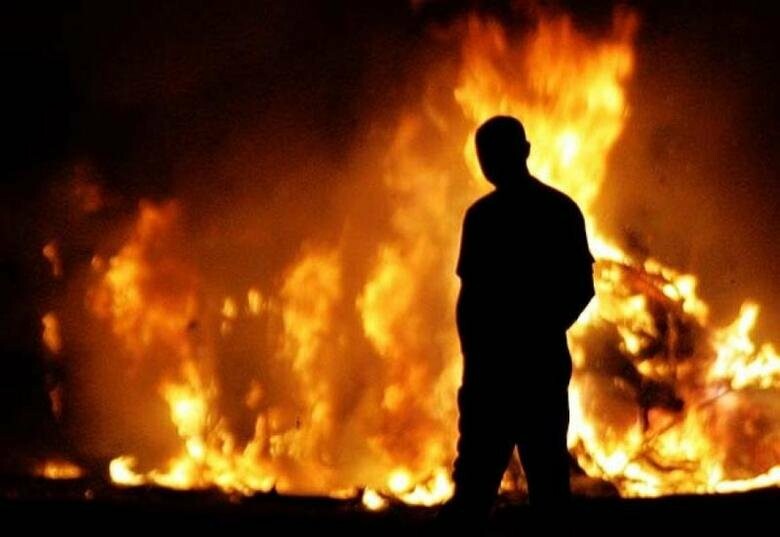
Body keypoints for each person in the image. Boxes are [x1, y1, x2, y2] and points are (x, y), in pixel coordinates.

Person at [441, 115, 595, 531]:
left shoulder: (524, 213)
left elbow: (581, 286)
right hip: (510, 368)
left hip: (518, 368)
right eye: (485, 156)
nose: (490, 163)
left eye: (496, 154)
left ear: (524, 152)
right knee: (502, 481)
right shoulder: (498, 215)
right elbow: (472, 296)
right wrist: (477, 354)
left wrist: (535, 331)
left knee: (526, 481)